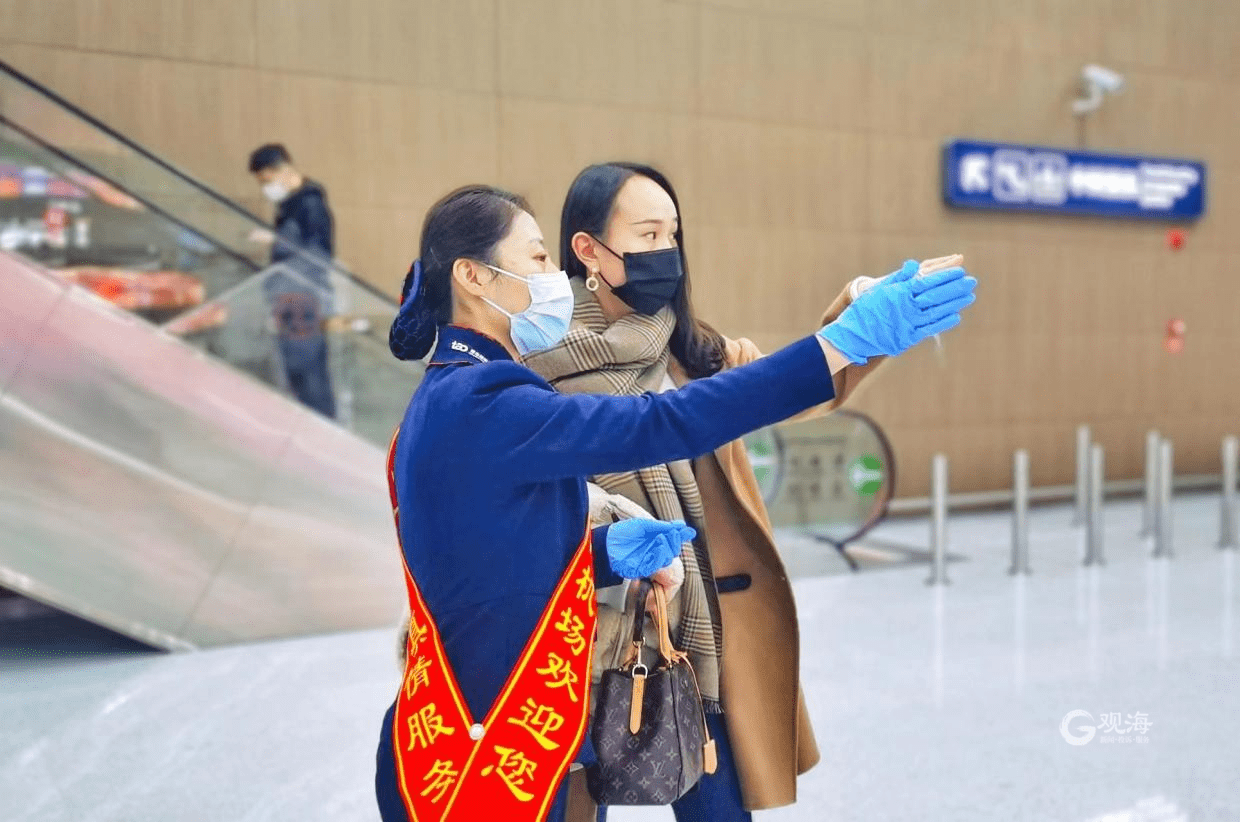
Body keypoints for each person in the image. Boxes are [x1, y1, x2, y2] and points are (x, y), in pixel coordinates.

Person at [376, 184, 972, 822]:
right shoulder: (485, 400)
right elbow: (660, 423)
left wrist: (603, 552)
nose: (553, 278)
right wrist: (837, 345)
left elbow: (489, 555)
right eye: (539, 258)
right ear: (472, 276)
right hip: (487, 749)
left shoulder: (452, 394)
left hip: (488, 728)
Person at [247, 143, 337, 418]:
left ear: (281, 170)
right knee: (299, 370)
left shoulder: (309, 204)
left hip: (303, 297)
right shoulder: (292, 205)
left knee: (307, 369)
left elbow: (318, 253)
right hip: (293, 296)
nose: (266, 188)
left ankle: (322, 428)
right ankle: (314, 425)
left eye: (267, 180)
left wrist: (277, 241)